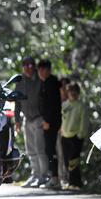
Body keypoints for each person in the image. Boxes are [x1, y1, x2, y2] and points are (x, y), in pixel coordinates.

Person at [14, 56, 49, 188]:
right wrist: (17, 120)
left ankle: (44, 175)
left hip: (39, 117)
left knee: (40, 148)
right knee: (30, 150)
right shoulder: (20, 80)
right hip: (26, 119)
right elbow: (17, 102)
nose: (28, 68)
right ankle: (35, 175)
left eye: (31, 65)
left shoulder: (39, 78)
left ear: (34, 66)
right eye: (25, 65)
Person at [37, 59, 62, 189]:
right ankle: (54, 177)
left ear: (48, 70)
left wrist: (47, 121)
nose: (40, 72)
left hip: (51, 121)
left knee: (51, 150)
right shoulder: (45, 82)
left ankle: (55, 178)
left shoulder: (51, 83)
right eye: (39, 70)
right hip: (48, 120)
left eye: (43, 70)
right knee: (49, 149)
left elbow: (53, 105)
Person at [60, 83, 89, 190]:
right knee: (66, 160)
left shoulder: (81, 106)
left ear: (78, 93)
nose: (72, 93)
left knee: (74, 161)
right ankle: (71, 182)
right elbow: (62, 119)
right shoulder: (65, 104)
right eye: (70, 91)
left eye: (75, 91)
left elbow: (84, 122)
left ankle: (76, 183)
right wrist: (61, 131)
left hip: (76, 137)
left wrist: (80, 134)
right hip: (65, 136)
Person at [57, 77, 71, 188]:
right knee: (60, 155)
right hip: (58, 132)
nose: (64, 89)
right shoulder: (56, 100)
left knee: (68, 156)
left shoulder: (71, 102)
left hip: (70, 133)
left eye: (66, 87)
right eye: (62, 86)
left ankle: (69, 179)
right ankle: (62, 178)